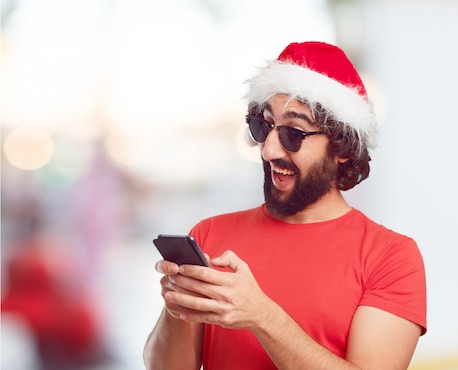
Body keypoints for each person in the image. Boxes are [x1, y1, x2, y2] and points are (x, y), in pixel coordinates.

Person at [143, 41, 427, 370]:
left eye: (294, 132)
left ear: (343, 147)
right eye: (264, 127)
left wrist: (262, 315)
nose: (269, 151)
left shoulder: (391, 257)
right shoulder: (210, 233)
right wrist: (177, 304)